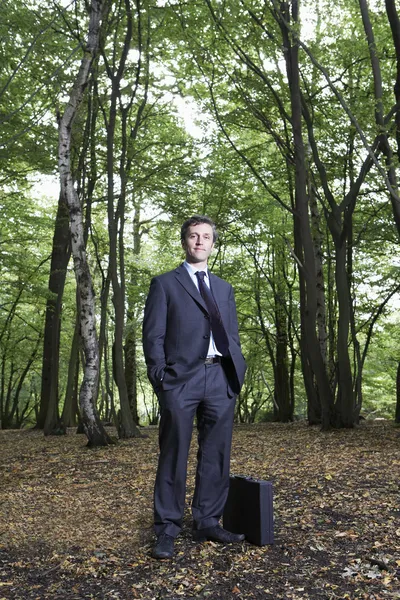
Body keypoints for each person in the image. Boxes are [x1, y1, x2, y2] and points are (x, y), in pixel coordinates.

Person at [142, 215, 247, 559]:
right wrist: (161, 377)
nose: (199, 241)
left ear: (213, 244)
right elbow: (153, 335)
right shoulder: (165, 284)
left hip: (220, 378)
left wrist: (236, 374)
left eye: (205, 237)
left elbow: (230, 334)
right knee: (174, 452)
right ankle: (167, 529)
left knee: (216, 454)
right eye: (193, 236)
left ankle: (206, 521)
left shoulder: (224, 288)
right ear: (185, 242)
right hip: (180, 380)